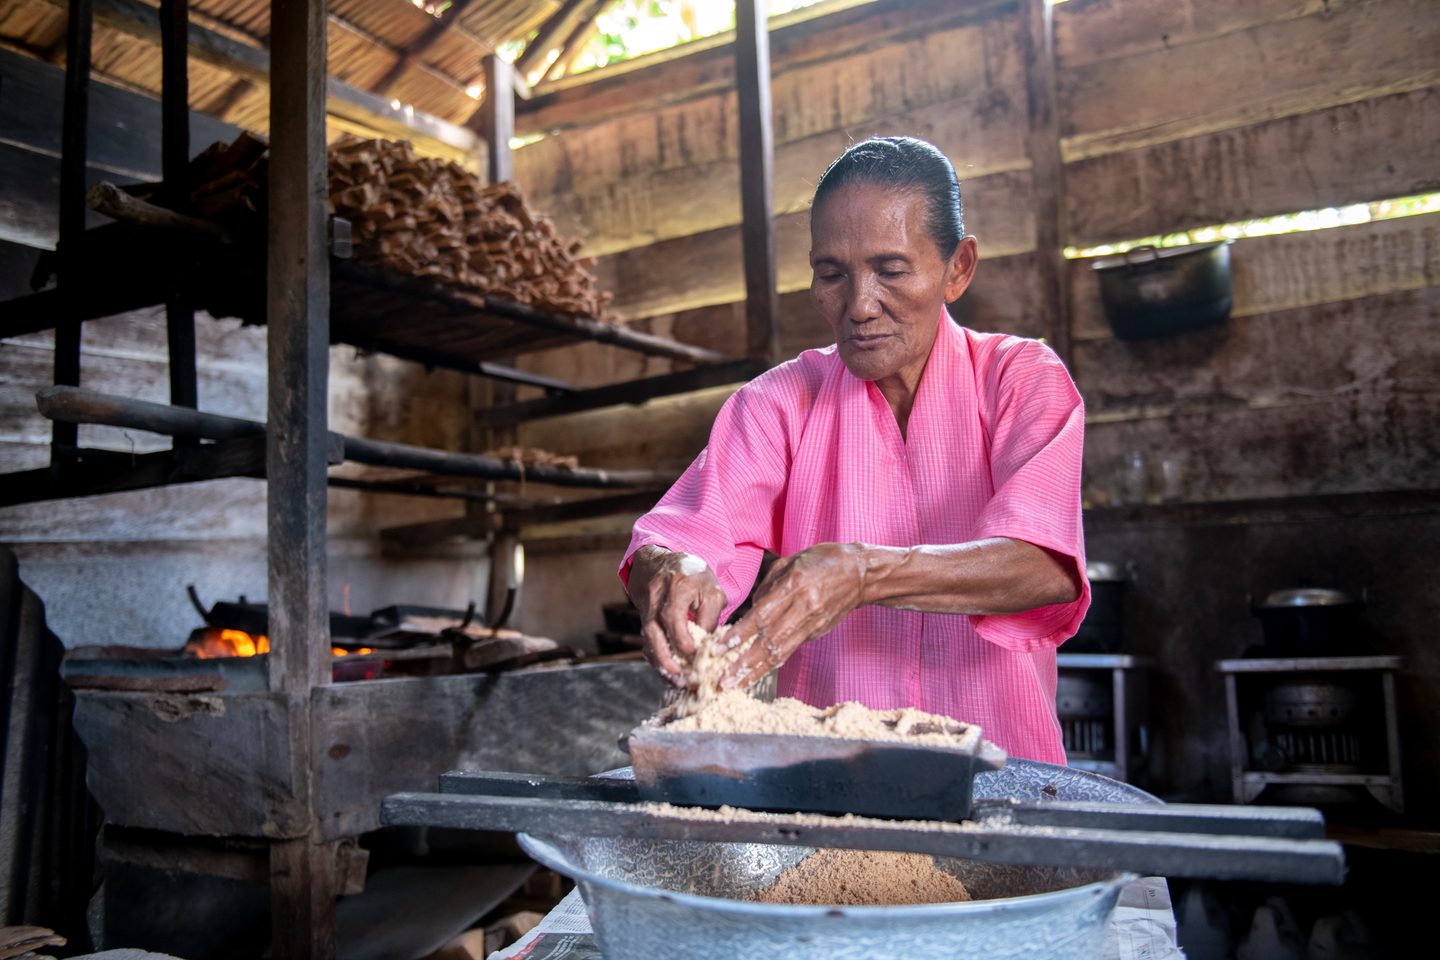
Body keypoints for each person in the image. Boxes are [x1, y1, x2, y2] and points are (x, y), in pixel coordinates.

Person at [618, 136, 1088, 764]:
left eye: (891, 270)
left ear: (959, 268)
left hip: (1007, 781)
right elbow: (690, 536)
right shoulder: (779, 403)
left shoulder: (1020, 379)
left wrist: (863, 573)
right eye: (832, 274)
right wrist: (671, 570)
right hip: (829, 789)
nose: (859, 306)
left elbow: (1046, 566)